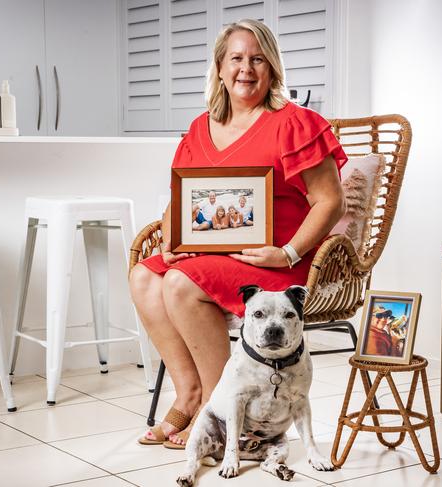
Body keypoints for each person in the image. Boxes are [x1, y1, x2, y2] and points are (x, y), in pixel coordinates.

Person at [130, 18, 347, 449]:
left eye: (257, 59)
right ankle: (190, 393)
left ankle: (218, 408)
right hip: (215, 253)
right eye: (236, 59)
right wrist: (173, 239)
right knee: (144, 275)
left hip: (276, 260)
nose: (246, 69)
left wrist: (285, 254)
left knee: (179, 283)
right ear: (220, 66)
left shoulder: (296, 122)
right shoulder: (199, 127)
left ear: (272, 68)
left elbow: (330, 201)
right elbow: (182, 198)